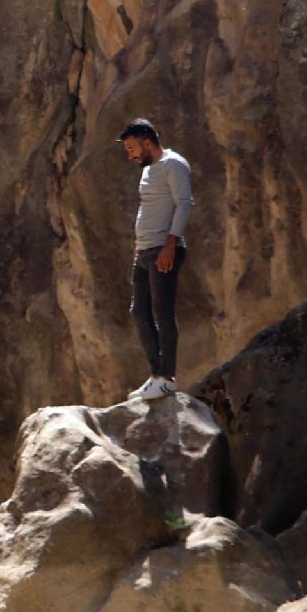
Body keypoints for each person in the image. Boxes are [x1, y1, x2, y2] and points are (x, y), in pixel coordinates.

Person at [119, 119, 192, 401]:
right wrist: (139, 247)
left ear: (147, 141)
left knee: (163, 312)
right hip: (145, 250)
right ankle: (155, 375)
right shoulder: (148, 170)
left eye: (132, 148)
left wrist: (170, 245)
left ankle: (167, 377)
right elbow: (149, 209)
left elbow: (185, 204)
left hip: (165, 248)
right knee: (138, 311)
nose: (130, 154)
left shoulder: (174, 164)